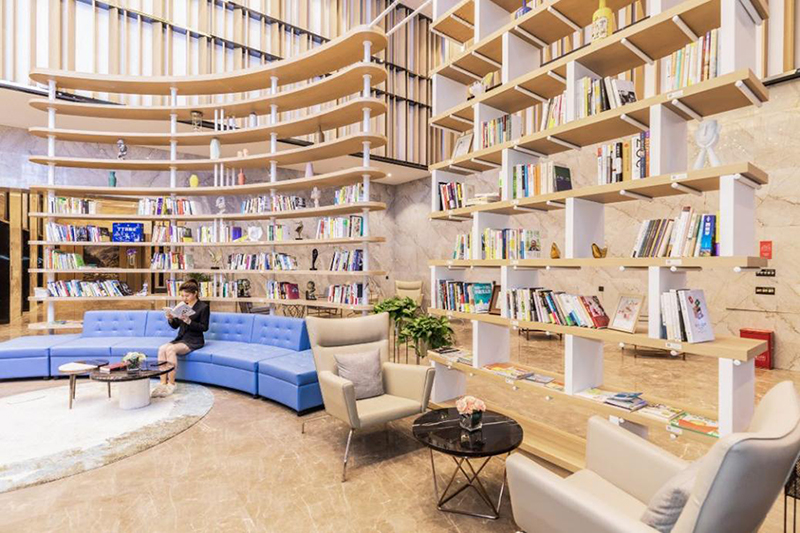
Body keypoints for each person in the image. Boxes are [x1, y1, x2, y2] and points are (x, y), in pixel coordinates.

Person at [152, 279, 210, 397]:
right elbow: (175, 326)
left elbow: (204, 327)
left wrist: (189, 321)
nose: (184, 298)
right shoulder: (183, 306)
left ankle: (171, 384)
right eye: (182, 296)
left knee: (170, 349)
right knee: (162, 349)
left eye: (187, 296)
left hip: (194, 339)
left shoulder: (203, 307)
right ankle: (162, 383)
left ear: (195, 293)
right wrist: (170, 318)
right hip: (181, 338)